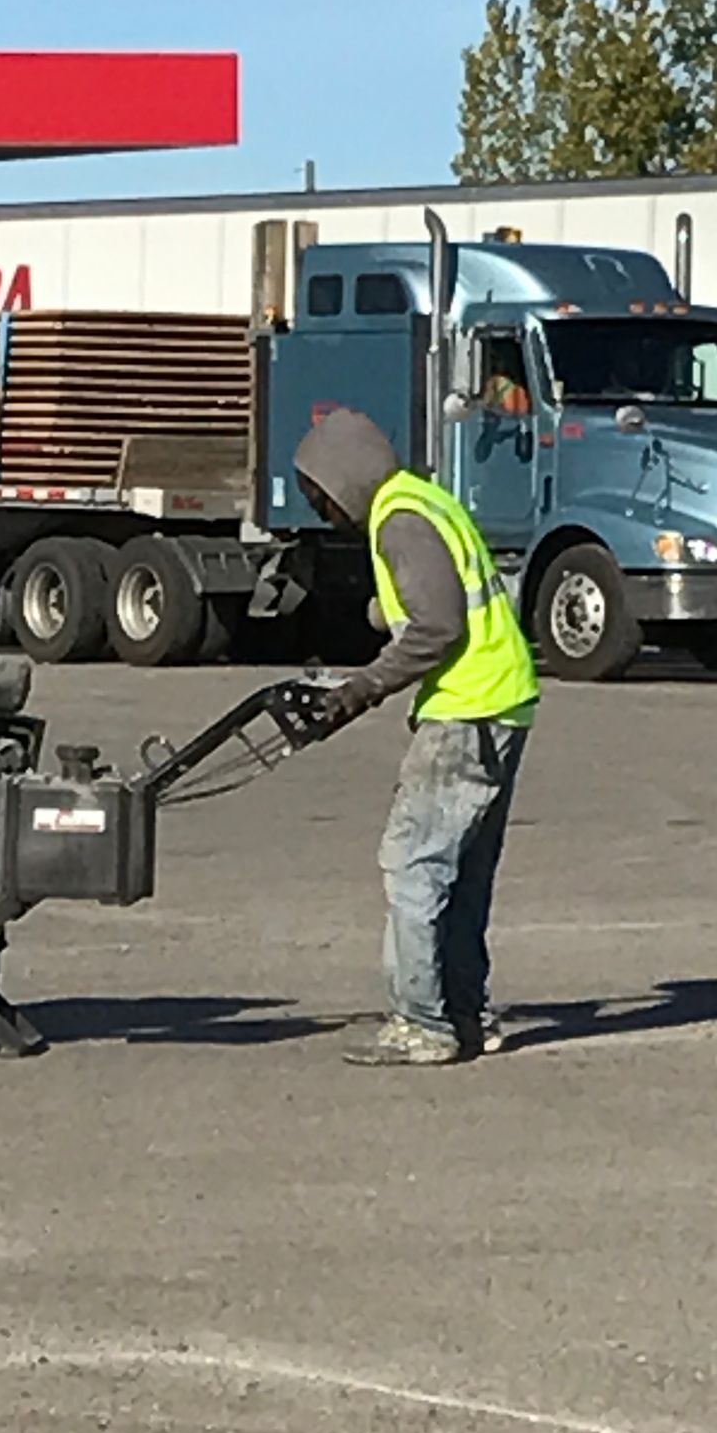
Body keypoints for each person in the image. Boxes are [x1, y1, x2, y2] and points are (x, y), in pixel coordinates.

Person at [294, 406, 540, 1067]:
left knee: (414, 866)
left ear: (344, 480)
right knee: (463, 878)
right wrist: (384, 611)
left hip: (467, 710)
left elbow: (437, 626)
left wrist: (359, 690)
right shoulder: (423, 500)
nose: (320, 511)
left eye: (319, 495)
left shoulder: (398, 520)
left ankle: (421, 1023)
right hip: (502, 702)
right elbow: (430, 599)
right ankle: (466, 1014)